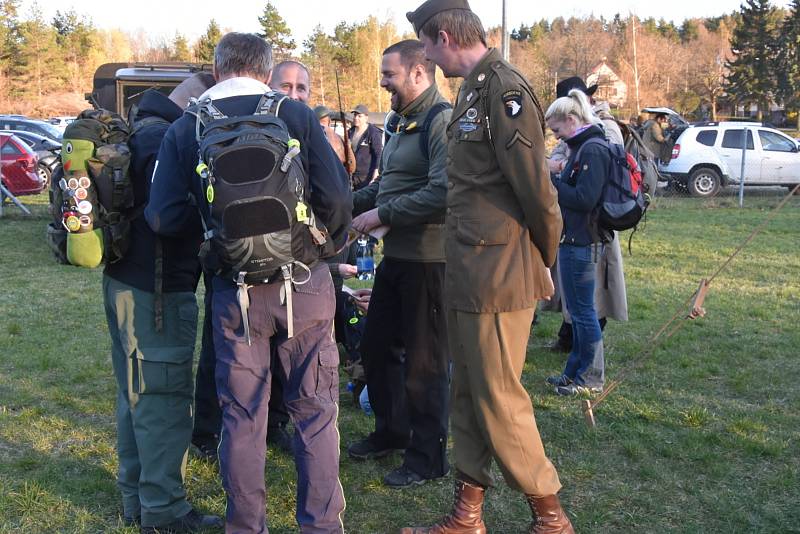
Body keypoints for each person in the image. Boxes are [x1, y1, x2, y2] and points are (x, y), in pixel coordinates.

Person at [145, 32, 351, 533]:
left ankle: (245, 526)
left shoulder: (189, 123)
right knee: (315, 410)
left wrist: (216, 233)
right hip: (305, 283)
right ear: (265, 69)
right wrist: (321, 248)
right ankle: (322, 526)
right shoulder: (294, 113)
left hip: (233, 290)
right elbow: (339, 199)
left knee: (242, 416)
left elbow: (163, 216)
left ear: (217, 70)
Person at [403, 1, 574, 532]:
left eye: (428, 45)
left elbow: (538, 193)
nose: (427, 56)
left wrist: (542, 261)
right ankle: (467, 515)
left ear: (448, 35)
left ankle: (550, 517)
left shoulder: (504, 90)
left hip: (499, 275)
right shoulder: (472, 91)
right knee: (469, 395)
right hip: (467, 271)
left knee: (499, 397)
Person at [102, 73, 223, 533]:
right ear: (199, 103)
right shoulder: (169, 138)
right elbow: (166, 216)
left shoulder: (140, 127)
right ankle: (163, 510)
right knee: (163, 403)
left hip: (124, 283)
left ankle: (136, 498)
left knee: (134, 396)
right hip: (156, 293)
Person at [346, 39, 451, 489]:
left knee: (426, 365)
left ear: (418, 72)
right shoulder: (398, 120)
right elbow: (386, 187)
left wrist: (382, 215)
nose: (382, 82)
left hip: (430, 262)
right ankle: (391, 432)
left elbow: (445, 192)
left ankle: (427, 459)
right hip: (397, 259)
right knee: (374, 346)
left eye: (389, 74)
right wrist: (342, 207)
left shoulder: (440, 120)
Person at [542, 76, 628, 354]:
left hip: (593, 229)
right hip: (575, 230)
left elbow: (588, 191)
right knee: (578, 304)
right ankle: (576, 357)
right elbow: (557, 160)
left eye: (557, 129)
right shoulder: (579, 138)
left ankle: (589, 367)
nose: (556, 136)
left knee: (591, 303)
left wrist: (556, 178)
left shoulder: (599, 135)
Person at [544, 89, 608, 398]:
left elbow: (585, 198)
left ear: (571, 120)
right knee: (579, 312)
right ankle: (572, 373)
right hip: (573, 239)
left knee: (584, 313)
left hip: (582, 240)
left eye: (556, 130)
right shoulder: (581, 147)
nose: (556, 138)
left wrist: (552, 184)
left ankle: (591, 378)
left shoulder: (592, 150)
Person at [348, 103, 383, 190]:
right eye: (355, 115)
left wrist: (375, 175)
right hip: (351, 176)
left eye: (359, 116)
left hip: (366, 177)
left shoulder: (373, 132)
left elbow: (378, 154)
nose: (356, 118)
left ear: (366, 117)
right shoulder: (350, 132)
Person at [315, 105, 357, 175]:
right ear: (329, 121)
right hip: (337, 180)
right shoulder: (339, 139)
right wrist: (348, 148)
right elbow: (351, 168)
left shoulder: (309, 137)